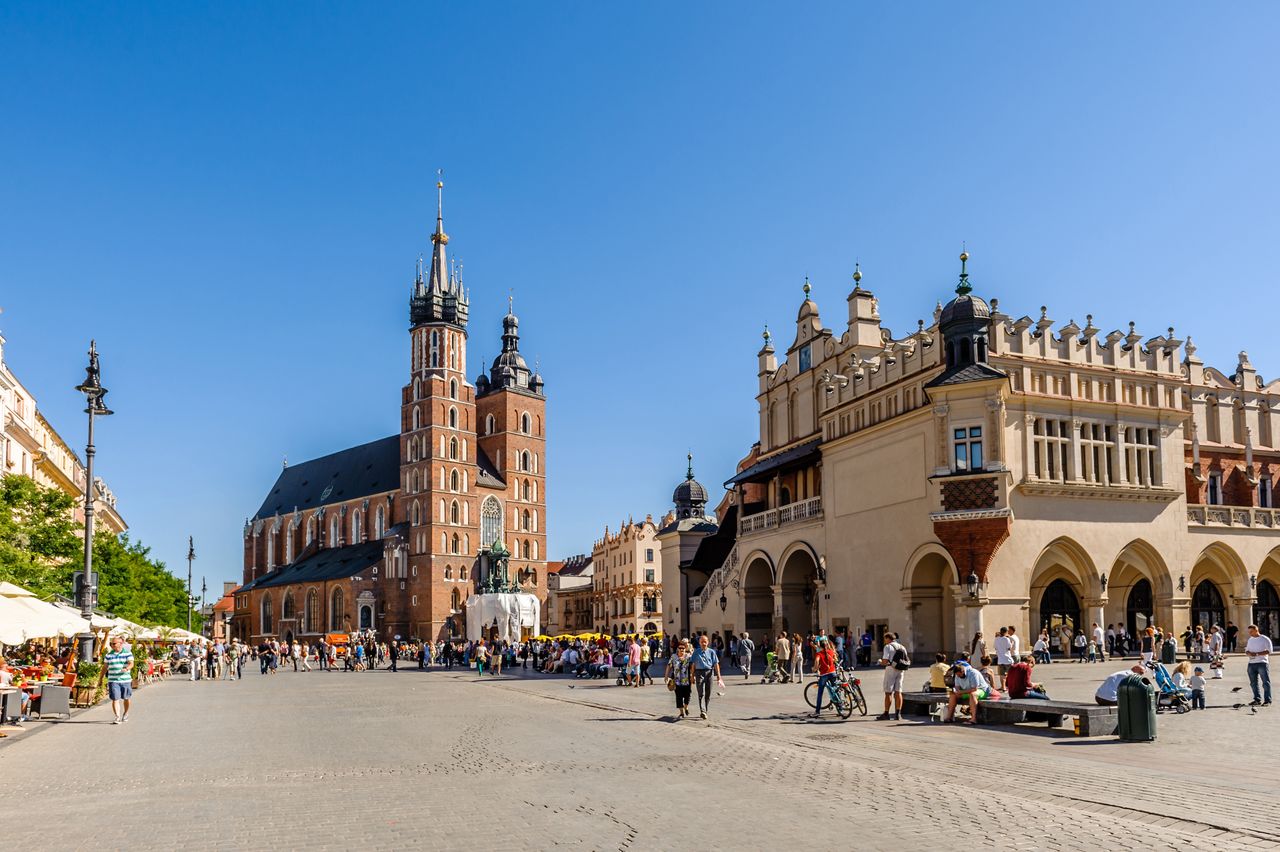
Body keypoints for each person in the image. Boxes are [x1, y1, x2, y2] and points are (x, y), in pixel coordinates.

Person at [942, 659, 992, 724]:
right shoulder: (957, 675)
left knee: (972, 694)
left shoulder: (973, 673)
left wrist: (961, 692)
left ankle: (973, 719)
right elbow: (957, 687)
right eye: (957, 675)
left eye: (959, 675)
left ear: (963, 671)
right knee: (953, 695)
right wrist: (956, 691)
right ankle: (949, 717)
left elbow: (974, 689)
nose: (958, 676)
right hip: (966, 691)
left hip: (982, 690)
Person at [877, 632, 909, 721]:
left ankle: (886, 713)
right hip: (901, 669)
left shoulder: (888, 647)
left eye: (885, 639)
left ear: (888, 638)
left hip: (891, 669)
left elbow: (885, 661)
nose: (884, 641)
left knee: (888, 692)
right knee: (898, 692)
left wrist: (880, 661)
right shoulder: (902, 647)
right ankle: (898, 714)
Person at [691, 634, 723, 719]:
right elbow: (693, 664)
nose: (703, 643)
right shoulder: (696, 652)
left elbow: (716, 664)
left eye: (705, 642)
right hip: (699, 673)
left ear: (708, 642)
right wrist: (692, 675)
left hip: (709, 673)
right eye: (702, 642)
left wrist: (719, 676)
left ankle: (705, 710)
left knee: (708, 693)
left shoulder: (712, 652)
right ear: (699, 642)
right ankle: (703, 711)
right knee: (701, 692)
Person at [104, 635, 134, 724]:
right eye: (111, 644)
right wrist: (101, 678)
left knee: (126, 698)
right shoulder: (108, 655)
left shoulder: (127, 653)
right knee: (115, 699)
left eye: (114, 643)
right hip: (113, 680)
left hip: (125, 680)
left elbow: (131, 664)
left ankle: (125, 713)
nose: (112, 645)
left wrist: (127, 668)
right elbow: (105, 667)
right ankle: (117, 717)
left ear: (120, 644)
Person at [1245, 624, 1273, 707]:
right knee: (1253, 683)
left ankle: (1267, 700)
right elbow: (1247, 649)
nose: (1250, 633)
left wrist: (1257, 654)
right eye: (1249, 632)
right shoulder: (1250, 639)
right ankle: (1257, 699)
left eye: (1251, 631)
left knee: (1265, 682)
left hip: (1262, 663)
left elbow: (1269, 651)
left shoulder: (1264, 639)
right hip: (1251, 663)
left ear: (1256, 630)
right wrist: (1248, 653)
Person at [811, 638, 839, 717]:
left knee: (820, 693)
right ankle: (839, 707)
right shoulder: (831, 651)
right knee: (835, 690)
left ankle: (817, 711)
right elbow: (835, 659)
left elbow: (816, 661)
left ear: (820, 646)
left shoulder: (819, 654)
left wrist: (814, 669)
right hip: (833, 673)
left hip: (824, 675)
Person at [666, 640, 694, 719]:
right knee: (678, 696)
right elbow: (669, 665)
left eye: (683, 648)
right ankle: (681, 712)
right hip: (677, 681)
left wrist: (692, 676)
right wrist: (666, 676)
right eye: (680, 648)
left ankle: (686, 707)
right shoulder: (674, 657)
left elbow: (692, 667)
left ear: (685, 649)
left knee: (687, 695)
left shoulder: (689, 657)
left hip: (687, 681)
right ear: (677, 648)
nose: (681, 649)